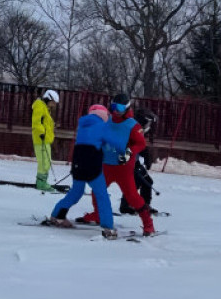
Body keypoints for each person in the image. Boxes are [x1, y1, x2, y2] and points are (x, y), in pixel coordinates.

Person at [77, 93, 156, 236]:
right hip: (106, 165)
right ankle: (98, 215)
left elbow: (140, 143)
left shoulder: (132, 125)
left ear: (126, 108)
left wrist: (129, 152)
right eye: (113, 107)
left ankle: (148, 224)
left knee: (132, 196)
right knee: (96, 191)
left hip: (123, 168)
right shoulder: (108, 121)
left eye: (119, 107)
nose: (116, 110)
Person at [47, 105, 118, 240]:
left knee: (76, 192)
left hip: (78, 165)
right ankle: (108, 227)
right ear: (104, 115)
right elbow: (115, 144)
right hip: (93, 166)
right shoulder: (103, 126)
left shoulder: (82, 126)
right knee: (102, 195)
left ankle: (57, 215)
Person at [119, 107, 158, 215]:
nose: (148, 127)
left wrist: (146, 156)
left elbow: (139, 146)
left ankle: (144, 205)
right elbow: (127, 146)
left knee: (147, 182)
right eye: (148, 123)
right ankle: (126, 205)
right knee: (134, 183)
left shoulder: (138, 130)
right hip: (127, 162)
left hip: (134, 162)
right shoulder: (131, 129)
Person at [31, 89, 59, 192]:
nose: (54, 105)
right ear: (48, 99)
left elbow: (44, 122)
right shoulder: (39, 106)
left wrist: (53, 126)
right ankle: (41, 183)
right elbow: (36, 122)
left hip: (46, 139)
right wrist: (42, 132)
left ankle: (43, 182)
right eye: (53, 102)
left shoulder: (46, 108)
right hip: (40, 139)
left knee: (46, 161)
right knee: (43, 162)